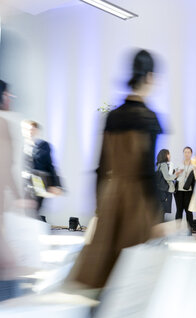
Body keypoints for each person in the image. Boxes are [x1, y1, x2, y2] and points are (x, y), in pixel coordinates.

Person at [67, 49, 163, 289]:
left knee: (102, 270)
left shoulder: (112, 117)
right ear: (150, 76)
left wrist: (99, 207)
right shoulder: (149, 118)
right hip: (137, 202)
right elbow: (147, 173)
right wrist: (156, 216)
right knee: (130, 275)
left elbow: (100, 168)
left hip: (111, 198)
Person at [22, 120, 63, 217]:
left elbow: (50, 165)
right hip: (25, 182)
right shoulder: (22, 146)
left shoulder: (44, 146)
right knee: (26, 208)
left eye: (32, 129)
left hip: (38, 181)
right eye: (27, 129)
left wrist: (56, 184)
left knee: (35, 207)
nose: (30, 132)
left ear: (36, 131)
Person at [174, 147, 196, 232]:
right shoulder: (179, 164)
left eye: (188, 152)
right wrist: (177, 173)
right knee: (179, 210)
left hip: (189, 190)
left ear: (191, 153)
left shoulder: (194, 165)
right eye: (185, 152)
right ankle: (177, 229)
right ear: (183, 153)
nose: (186, 154)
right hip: (179, 190)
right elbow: (174, 177)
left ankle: (190, 228)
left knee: (189, 210)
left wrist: (195, 171)